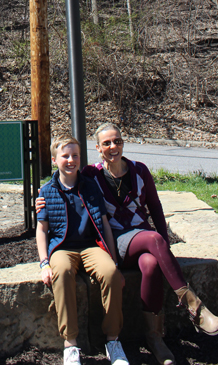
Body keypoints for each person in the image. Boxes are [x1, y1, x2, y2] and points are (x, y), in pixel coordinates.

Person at [37, 123, 218, 365]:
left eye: (118, 141)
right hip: (105, 243)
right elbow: (57, 198)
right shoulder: (92, 176)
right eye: (106, 143)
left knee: (152, 264)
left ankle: (153, 337)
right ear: (98, 148)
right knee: (152, 239)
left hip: (132, 243)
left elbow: (155, 207)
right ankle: (193, 306)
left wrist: (163, 246)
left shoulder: (136, 172)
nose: (113, 147)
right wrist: (42, 205)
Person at [36, 135, 129, 365]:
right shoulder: (47, 191)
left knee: (110, 274)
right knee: (63, 272)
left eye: (75, 155)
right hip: (61, 248)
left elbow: (105, 224)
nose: (70, 160)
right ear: (54, 160)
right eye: (65, 156)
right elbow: (41, 230)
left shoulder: (90, 187)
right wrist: (44, 262)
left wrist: (114, 262)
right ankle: (70, 344)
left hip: (90, 246)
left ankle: (113, 340)